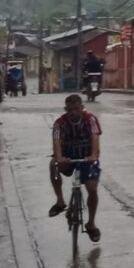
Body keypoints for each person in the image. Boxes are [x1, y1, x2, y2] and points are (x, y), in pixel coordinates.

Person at [48, 94, 103, 242]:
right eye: (69, 109)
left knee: (92, 189)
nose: (73, 112)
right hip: (67, 157)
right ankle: (60, 201)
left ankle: (91, 223)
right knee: (53, 165)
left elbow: (95, 139)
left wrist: (93, 155)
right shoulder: (59, 123)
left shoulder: (90, 120)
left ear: (81, 108)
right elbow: (56, 141)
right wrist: (59, 158)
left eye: (76, 109)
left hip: (87, 157)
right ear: (66, 109)